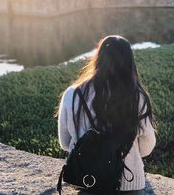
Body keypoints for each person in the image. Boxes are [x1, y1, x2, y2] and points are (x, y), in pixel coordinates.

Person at [57, 35, 156, 194]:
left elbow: (65, 142)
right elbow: (147, 146)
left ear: (98, 57)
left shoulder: (72, 94)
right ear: (129, 61)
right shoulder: (137, 96)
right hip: (128, 183)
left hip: (87, 180)